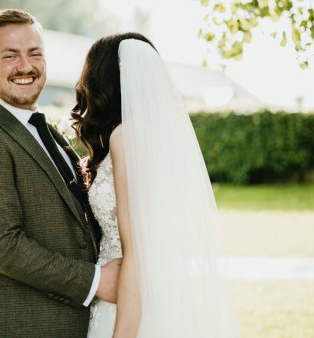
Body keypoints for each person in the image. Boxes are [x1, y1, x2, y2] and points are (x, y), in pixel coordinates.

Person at [0, 9, 121, 338]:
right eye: (10, 56)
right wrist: (97, 282)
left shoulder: (48, 133)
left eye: (34, 53)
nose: (25, 66)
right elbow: (4, 247)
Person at [71, 32, 241, 337]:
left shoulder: (125, 137)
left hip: (127, 305)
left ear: (102, 81)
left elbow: (136, 250)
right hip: (161, 296)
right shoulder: (163, 140)